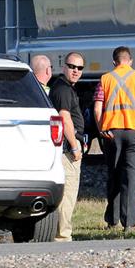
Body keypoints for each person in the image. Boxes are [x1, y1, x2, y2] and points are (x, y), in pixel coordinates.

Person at [93, 46, 135, 231]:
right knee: (132, 178)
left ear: (114, 62)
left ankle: (112, 220)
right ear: (131, 60)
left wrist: (101, 129)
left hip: (112, 133)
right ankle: (129, 224)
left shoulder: (105, 79)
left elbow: (97, 108)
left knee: (114, 175)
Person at [48, 52, 85, 241]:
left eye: (80, 68)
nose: (76, 71)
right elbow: (64, 117)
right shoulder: (62, 89)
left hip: (68, 146)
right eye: (72, 67)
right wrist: (75, 146)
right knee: (68, 193)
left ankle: (60, 233)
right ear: (64, 67)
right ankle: (62, 236)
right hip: (68, 149)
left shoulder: (66, 88)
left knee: (68, 193)